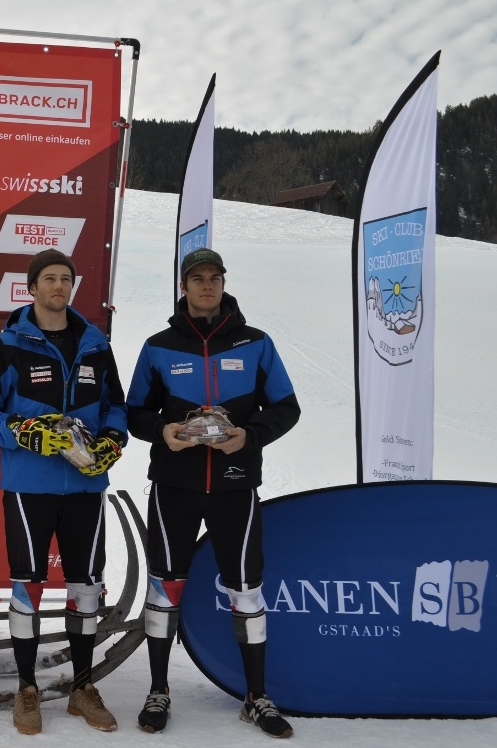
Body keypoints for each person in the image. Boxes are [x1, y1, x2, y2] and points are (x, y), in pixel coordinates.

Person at [126, 247, 301, 738]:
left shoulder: (256, 343)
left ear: (224, 284)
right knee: (165, 587)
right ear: (183, 286)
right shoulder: (158, 346)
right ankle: (159, 689)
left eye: (214, 278)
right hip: (174, 488)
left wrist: (251, 435)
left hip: (233, 486)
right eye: (197, 278)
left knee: (247, 589)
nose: (207, 286)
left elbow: (287, 407)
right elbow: (135, 411)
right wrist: (162, 432)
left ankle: (256, 696)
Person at [0, 249, 127, 735]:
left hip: (85, 487)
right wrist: (23, 431)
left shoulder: (96, 345)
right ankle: (27, 688)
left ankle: (81, 688)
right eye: (49, 279)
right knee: (28, 587)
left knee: (85, 587)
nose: (59, 286)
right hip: (28, 488)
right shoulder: (7, 345)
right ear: (31, 288)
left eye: (66, 279)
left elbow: (115, 406)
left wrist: (113, 440)